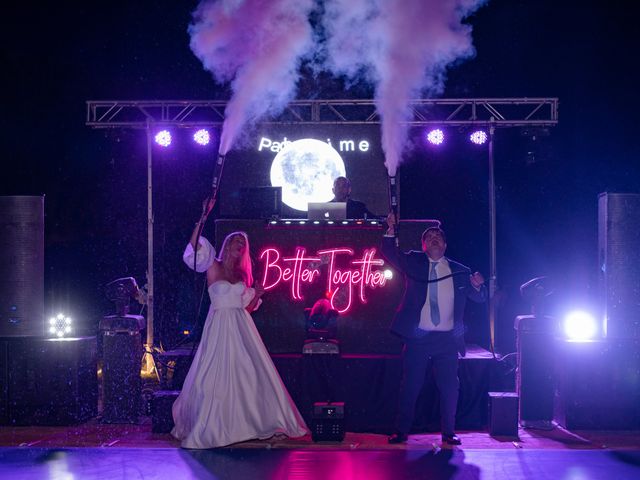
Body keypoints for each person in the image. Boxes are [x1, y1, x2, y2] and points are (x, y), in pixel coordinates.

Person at [172, 198, 308, 448]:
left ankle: (255, 423)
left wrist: (256, 292)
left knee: (249, 375)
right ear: (227, 245)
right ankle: (215, 426)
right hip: (220, 325)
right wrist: (203, 216)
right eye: (236, 240)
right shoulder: (213, 266)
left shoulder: (242, 276)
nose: (240, 244)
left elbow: (246, 307)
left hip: (242, 327)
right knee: (214, 376)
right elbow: (193, 248)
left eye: (243, 243)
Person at [381, 214, 486, 445]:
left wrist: (479, 286)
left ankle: (449, 432)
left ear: (445, 245)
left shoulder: (460, 270)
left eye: (438, 236)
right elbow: (389, 254)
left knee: (450, 388)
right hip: (418, 338)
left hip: (447, 341)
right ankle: (401, 431)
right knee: (410, 386)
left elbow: (479, 298)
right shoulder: (414, 261)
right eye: (430, 236)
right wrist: (389, 231)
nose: (435, 238)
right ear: (423, 245)